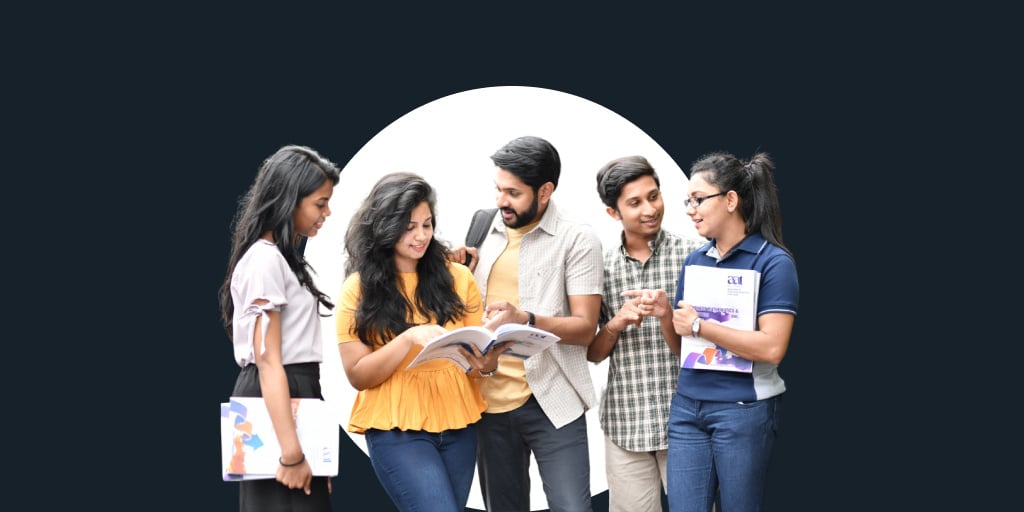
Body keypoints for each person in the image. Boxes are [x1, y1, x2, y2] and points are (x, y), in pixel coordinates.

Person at [335, 172, 508, 511]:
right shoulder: (358, 288)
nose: (421, 236)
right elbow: (357, 374)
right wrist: (408, 338)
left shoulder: (458, 277)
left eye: (427, 224)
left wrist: (487, 365)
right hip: (396, 429)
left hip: (459, 426)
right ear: (384, 226)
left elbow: (475, 361)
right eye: (409, 226)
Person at [642, 151, 799, 512]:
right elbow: (683, 347)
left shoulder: (773, 261)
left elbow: (772, 348)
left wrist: (701, 325)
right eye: (688, 201)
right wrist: (668, 315)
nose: (690, 209)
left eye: (699, 199)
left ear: (731, 200)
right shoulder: (695, 261)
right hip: (687, 407)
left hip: (743, 409)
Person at [462, 135, 604, 512]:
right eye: (498, 189)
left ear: (545, 191)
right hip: (487, 403)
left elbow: (586, 327)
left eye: (513, 192)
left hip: (552, 400)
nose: (500, 201)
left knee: (573, 507)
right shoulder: (482, 229)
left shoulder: (578, 238)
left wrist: (525, 319)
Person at [218, 144, 341, 511]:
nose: (327, 212)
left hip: (295, 393)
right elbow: (268, 360)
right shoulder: (264, 260)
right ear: (290, 199)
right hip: (279, 393)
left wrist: (313, 449)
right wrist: (290, 453)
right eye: (320, 203)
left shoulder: (282, 260)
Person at [587, 156, 704, 512]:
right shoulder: (600, 267)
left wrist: (667, 316)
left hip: (687, 421)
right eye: (635, 202)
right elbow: (592, 353)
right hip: (626, 423)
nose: (650, 209)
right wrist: (615, 324)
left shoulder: (694, 256)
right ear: (613, 213)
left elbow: (701, 350)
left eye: (654, 196)